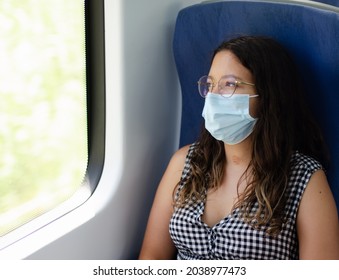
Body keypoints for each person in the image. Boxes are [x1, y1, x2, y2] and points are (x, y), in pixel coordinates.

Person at [138, 36, 339, 260]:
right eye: (211, 84)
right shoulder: (185, 161)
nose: (213, 96)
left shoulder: (304, 179)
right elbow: (152, 256)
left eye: (230, 85)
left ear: (266, 96)